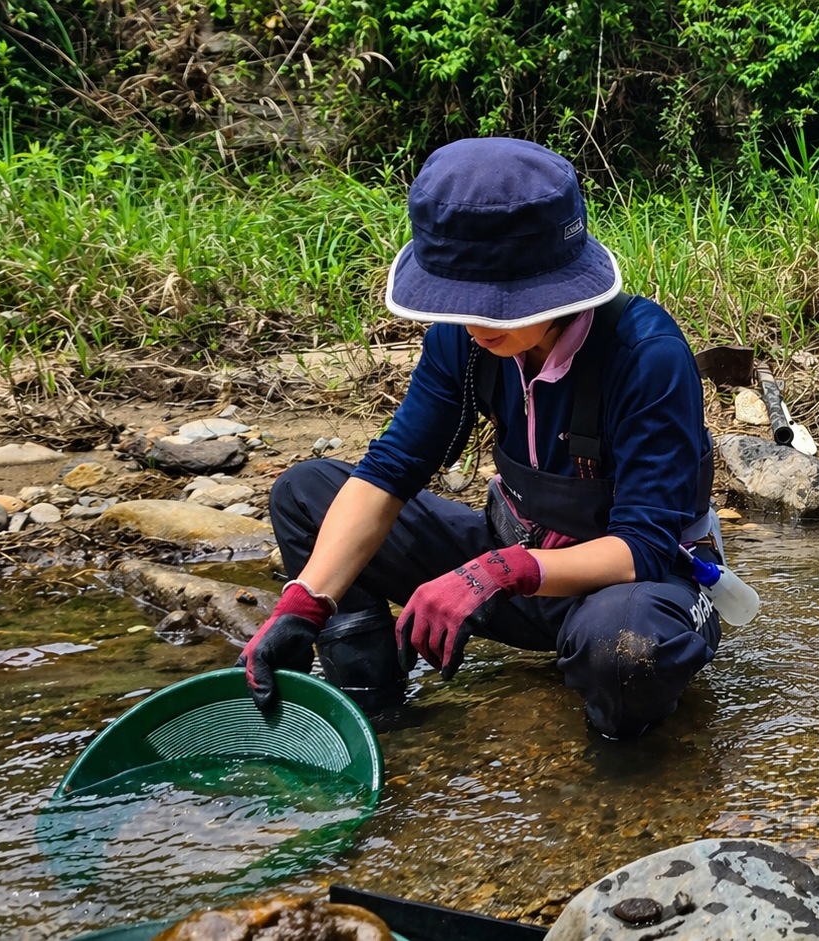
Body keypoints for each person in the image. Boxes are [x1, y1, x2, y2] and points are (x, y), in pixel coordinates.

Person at [238, 137, 721, 739]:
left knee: (625, 653)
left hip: (632, 589)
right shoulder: (464, 341)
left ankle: (622, 785)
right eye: (458, 301)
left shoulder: (646, 354)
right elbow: (392, 470)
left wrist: (496, 572)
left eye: (497, 307)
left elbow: (645, 548)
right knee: (305, 492)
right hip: (514, 564)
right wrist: (306, 601)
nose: (473, 323)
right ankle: (373, 715)